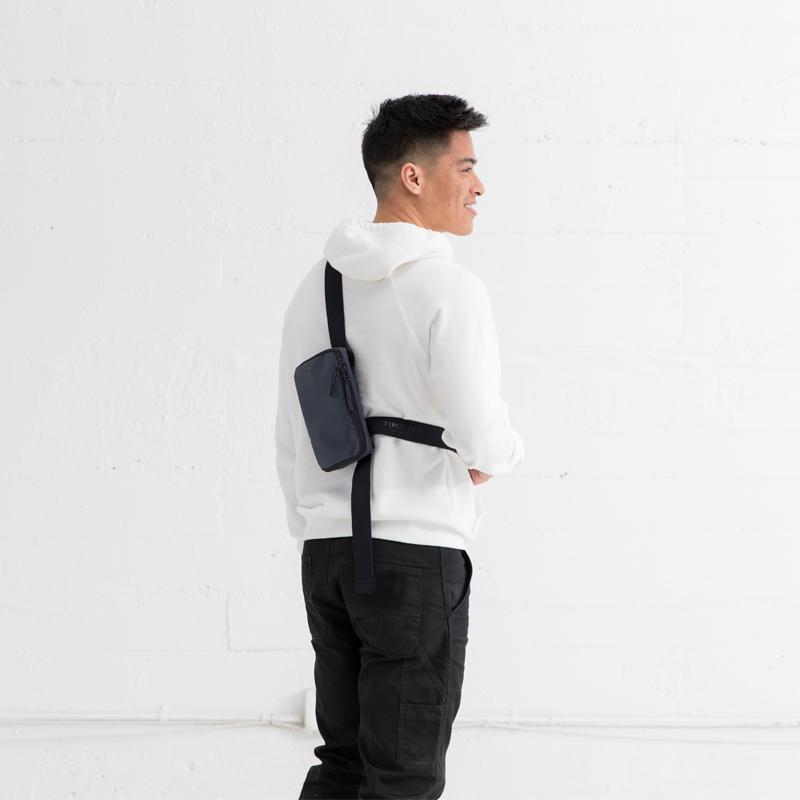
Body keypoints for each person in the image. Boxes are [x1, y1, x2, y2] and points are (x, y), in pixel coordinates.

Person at [274, 93, 525, 799]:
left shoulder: (312, 290)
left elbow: (291, 433)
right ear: (413, 176)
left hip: (327, 556)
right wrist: (501, 455)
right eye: (465, 167)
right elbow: (482, 435)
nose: (479, 185)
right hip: (413, 556)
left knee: (343, 764)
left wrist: (314, 524)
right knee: (405, 774)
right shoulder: (448, 287)